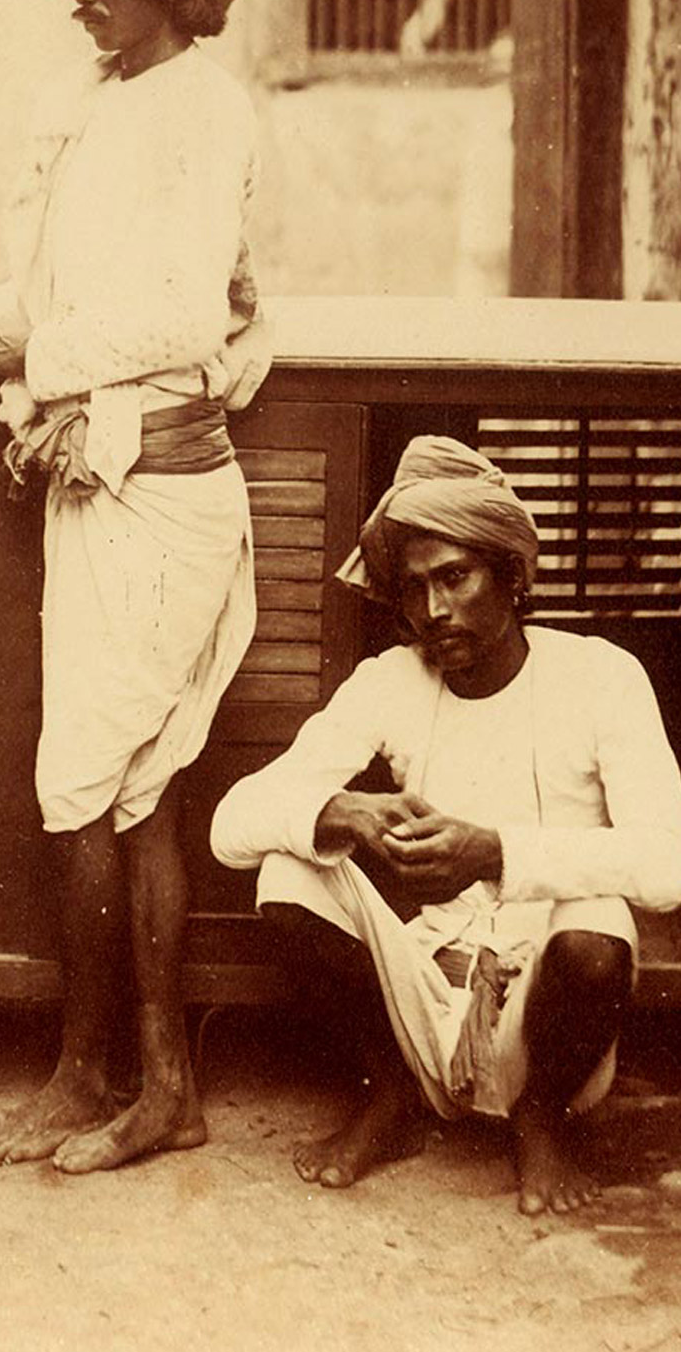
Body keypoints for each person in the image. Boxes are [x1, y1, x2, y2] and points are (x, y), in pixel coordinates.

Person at [0, 0, 270, 1174]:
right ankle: (129, 1074)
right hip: (93, 489)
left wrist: (30, 361)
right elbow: (48, 304)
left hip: (163, 495)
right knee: (115, 790)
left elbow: (169, 316)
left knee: (111, 781)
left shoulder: (208, 109)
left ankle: (108, 1075)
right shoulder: (104, 110)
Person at [210, 436, 681, 1216]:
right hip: (427, 1002)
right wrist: (342, 811)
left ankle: (542, 1117)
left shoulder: (601, 673)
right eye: (414, 588)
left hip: (549, 1011)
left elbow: (669, 865)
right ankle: (390, 1095)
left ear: (513, 573)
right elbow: (232, 822)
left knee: (600, 928)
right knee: (288, 870)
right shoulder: (391, 681)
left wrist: (495, 852)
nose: (434, 610)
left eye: (456, 577)